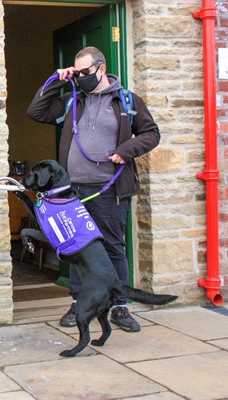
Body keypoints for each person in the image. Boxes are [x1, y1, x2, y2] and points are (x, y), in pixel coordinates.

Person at [27, 46, 160, 332]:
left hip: (109, 190)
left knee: (113, 247)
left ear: (101, 68)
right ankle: (78, 303)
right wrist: (57, 81)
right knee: (77, 248)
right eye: (77, 73)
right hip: (73, 192)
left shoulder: (126, 101)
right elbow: (36, 111)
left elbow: (151, 133)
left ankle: (120, 306)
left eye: (85, 72)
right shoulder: (71, 100)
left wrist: (126, 150)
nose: (81, 78)